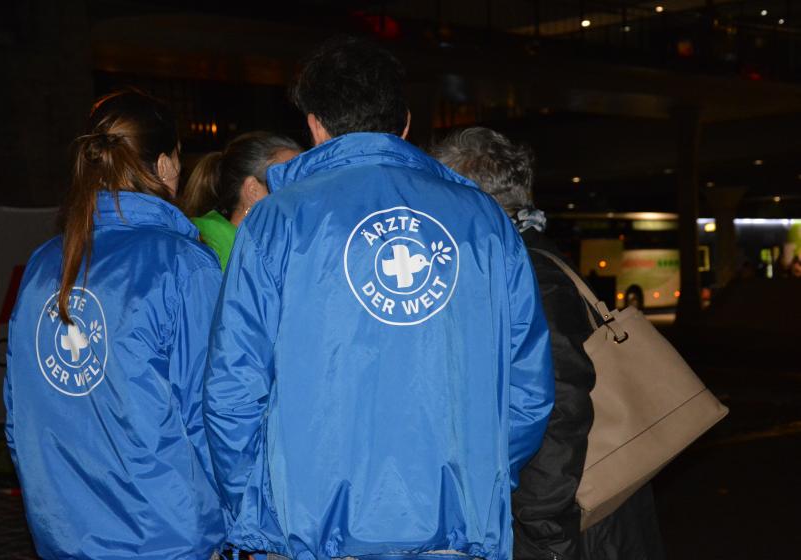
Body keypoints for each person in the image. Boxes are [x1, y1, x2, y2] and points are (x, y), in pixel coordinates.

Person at [204, 37, 554, 560]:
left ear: (316, 125)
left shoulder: (278, 222)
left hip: (313, 531)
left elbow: (233, 388)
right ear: (406, 122)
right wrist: (479, 483)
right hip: (451, 531)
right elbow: (527, 387)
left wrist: (260, 508)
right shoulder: (483, 221)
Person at [3, 90, 225, 559]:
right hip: (166, 537)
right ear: (164, 166)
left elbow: (19, 411)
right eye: (179, 162)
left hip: (64, 533)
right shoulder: (184, 265)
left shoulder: (45, 264)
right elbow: (212, 413)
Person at [432, 126, 666, 560]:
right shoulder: (532, 255)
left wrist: (543, 534)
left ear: (471, 200)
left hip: (579, 525)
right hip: (589, 514)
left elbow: (561, 409)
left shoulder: (530, 276)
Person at [178, 132, 302, 270]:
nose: (304, 193)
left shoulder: (266, 249)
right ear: (253, 190)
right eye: (291, 182)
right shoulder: (205, 250)